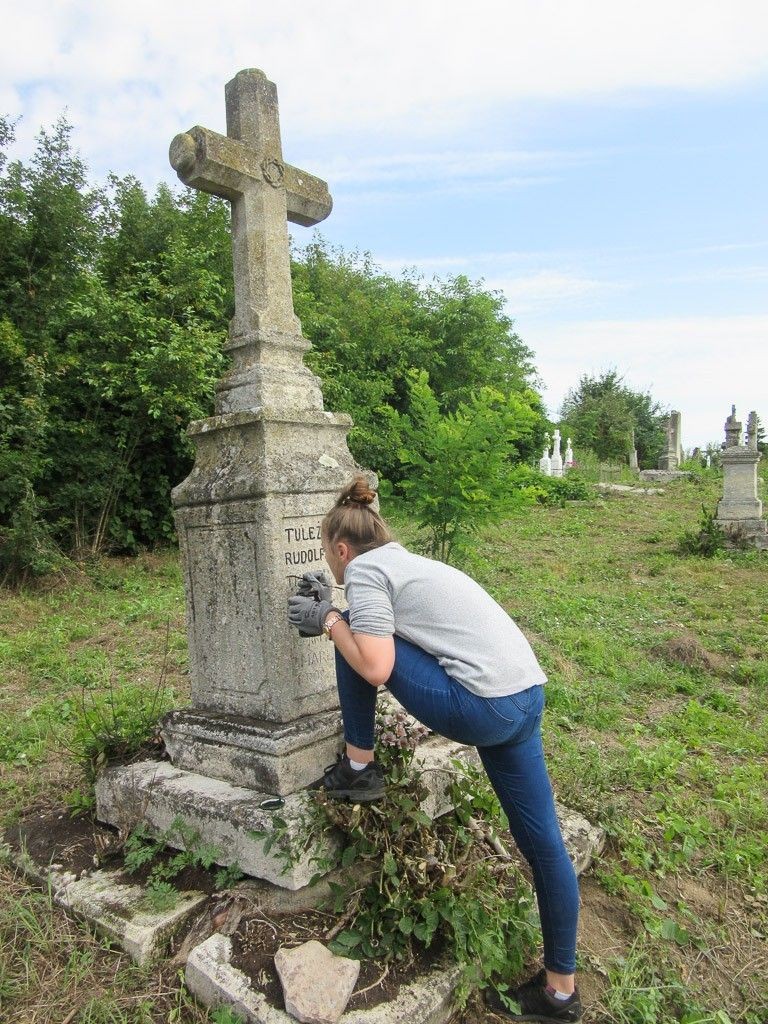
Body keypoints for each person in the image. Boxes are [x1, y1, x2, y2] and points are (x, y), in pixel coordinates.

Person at [287, 477, 581, 1024]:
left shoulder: (368, 573)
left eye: (329, 557)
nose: (331, 567)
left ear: (341, 549)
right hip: (524, 698)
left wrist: (329, 618)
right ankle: (561, 993)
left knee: (351, 630)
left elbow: (375, 665)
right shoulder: (407, 563)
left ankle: (359, 767)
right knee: (544, 846)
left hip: (484, 706)